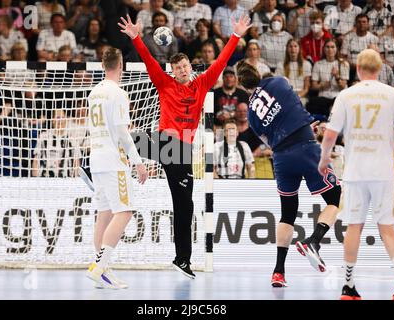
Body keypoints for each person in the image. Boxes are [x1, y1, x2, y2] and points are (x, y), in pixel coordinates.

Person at [118, 13, 251, 278]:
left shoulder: (202, 84)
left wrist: (235, 35)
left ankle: (181, 259)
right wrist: (135, 37)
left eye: (185, 66)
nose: (181, 71)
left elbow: (222, 61)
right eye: (177, 68)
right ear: (172, 71)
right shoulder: (164, 82)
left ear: (190, 66)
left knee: (184, 206)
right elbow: (149, 61)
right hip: (170, 145)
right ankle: (97, 160)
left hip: (181, 153)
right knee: (130, 140)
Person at [236, 61, 342, 288]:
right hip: (305, 147)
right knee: (336, 198)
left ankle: (278, 272)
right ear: (260, 72)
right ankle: (313, 241)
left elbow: (269, 140)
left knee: (287, 214)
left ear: (243, 87)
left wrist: (302, 125)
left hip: (282, 159)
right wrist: (306, 126)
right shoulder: (278, 82)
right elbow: (294, 105)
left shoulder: (252, 113)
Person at [318, 48, 394, 300]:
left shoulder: (346, 95)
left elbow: (331, 134)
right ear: (380, 70)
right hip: (383, 171)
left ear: (357, 69)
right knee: (387, 226)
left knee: (353, 227)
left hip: (356, 170)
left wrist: (324, 160)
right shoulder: (393, 94)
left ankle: (348, 287)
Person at [85, 46, 148, 289]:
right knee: (125, 211)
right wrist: (138, 162)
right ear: (121, 66)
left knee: (105, 212)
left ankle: (103, 271)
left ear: (102, 65)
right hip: (113, 160)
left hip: (96, 158)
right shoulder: (118, 93)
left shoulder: (94, 92)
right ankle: (99, 266)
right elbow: (122, 132)